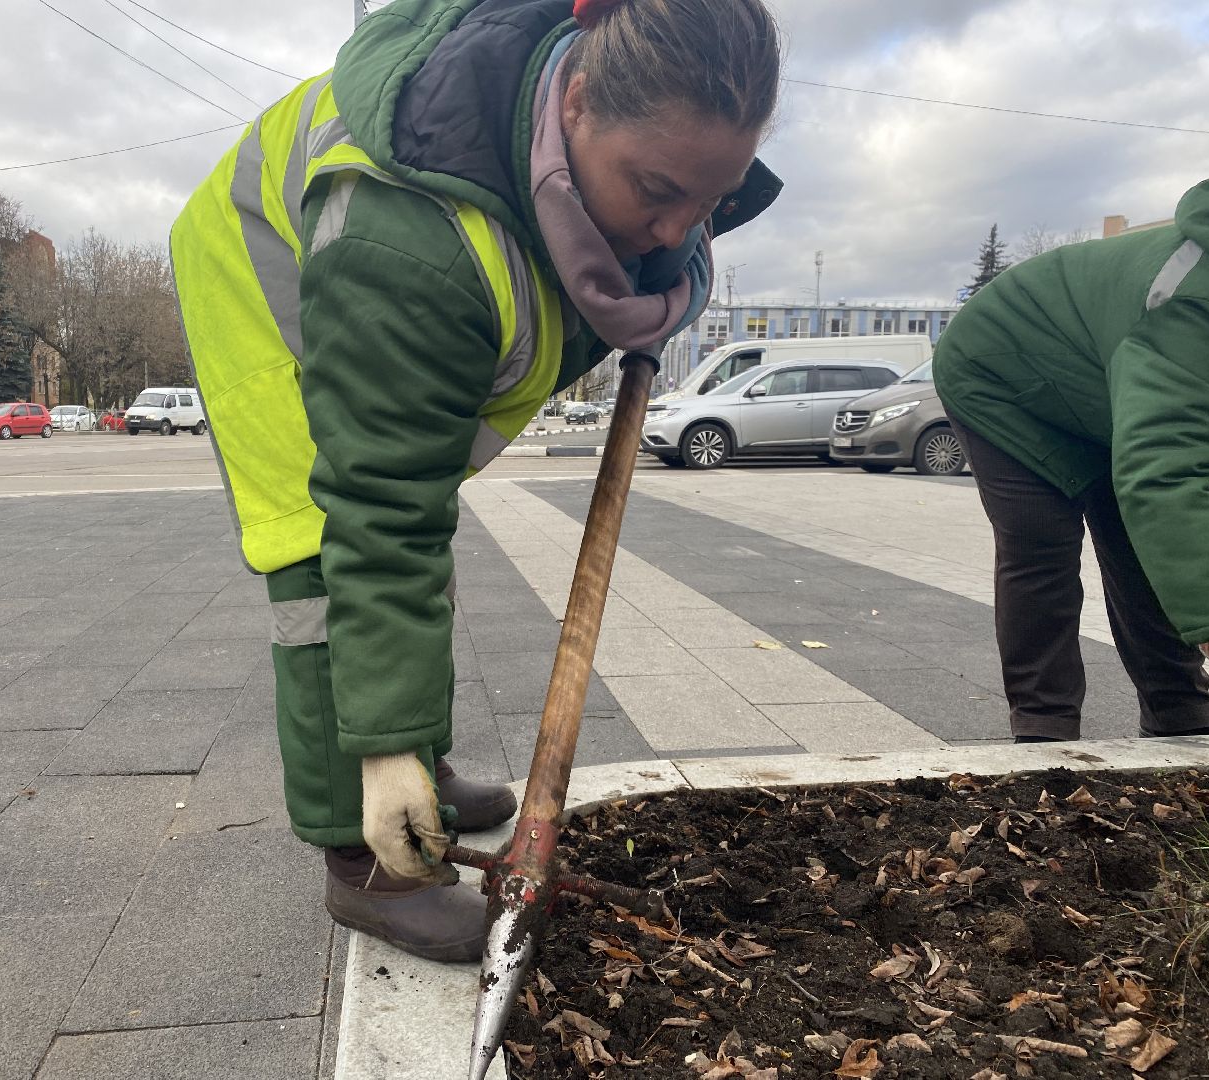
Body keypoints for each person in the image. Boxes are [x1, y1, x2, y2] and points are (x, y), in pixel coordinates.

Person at [170, 0, 783, 961]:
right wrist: (377, 754)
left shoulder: (620, 160)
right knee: (324, 560)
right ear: (575, 102)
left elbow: (656, 228)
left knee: (417, 541)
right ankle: (367, 865)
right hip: (273, 287)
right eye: (659, 189)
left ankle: (420, 756)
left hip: (394, 290)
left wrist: (665, 262)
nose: (677, 226)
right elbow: (383, 511)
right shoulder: (407, 240)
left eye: (710, 199)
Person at [935, 175, 1209, 744]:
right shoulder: (1200, 301)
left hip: (1104, 389)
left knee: (1140, 545)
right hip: (1002, 370)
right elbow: (1168, 473)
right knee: (1041, 544)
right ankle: (1045, 735)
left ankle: (1183, 723)